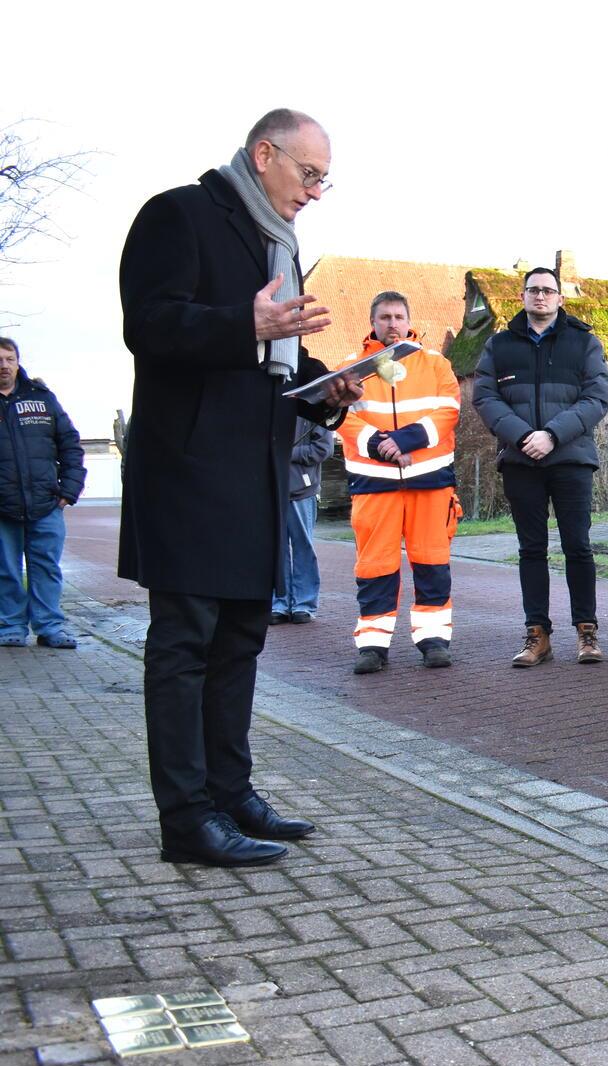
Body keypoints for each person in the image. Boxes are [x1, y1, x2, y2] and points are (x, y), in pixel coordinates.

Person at [118, 108, 362, 867]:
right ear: (265, 154)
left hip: (256, 473)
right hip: (190, 474)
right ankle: (187, 820)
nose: (317, 191)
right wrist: (242, 325)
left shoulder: (278, 241)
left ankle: (231, 794)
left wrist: (326, 386)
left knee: (239, 643)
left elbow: (276, 352)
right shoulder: (179, 214)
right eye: (309, 174)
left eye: (326, 178)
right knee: (185, 645)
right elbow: (150, 324)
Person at [471, 266, 608, 666]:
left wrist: (551, 434)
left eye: (549, 291)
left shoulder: (584, 344)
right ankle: (537, 635)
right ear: (522, 297)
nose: (541, 296)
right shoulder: (498, 346)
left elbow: (597, 397)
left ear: (560, 298)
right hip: (520, 461)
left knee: (578, 547)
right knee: (531, 549)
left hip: (571, 458)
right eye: (533, 290)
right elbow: (485, 397)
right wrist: (522, 436)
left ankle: (587, 631)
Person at [336, 291, 461, 674]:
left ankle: (434, 641)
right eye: (385, 317)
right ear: (372, 322)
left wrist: (404, 440)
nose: (392, 324)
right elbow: (340, 416)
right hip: (374, 482)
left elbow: (449, 410)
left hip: (429, 480)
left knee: (432, 563)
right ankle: (372, 646)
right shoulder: (350, 369)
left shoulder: (436, 363)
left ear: (410, 322)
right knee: (375, 565)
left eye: (398, 317)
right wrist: (379, 445)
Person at [0, 337, 85, 648]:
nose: (4, 365)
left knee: (46, 568)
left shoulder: (42, 398)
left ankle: (50, 628)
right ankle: (10, 627)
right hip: (3, 509)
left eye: (9, 358)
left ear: (18, 362)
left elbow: (71, 445)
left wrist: (69, 489)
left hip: (46, 504)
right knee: (5, 570)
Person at [271, 417, 330, 627]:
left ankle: (304, 604)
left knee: (303, 546)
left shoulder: (313, 412)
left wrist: (287, 452)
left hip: (302, 491)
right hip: (273, 489)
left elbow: (324, 449)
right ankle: (278, 603)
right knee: (277, 549)